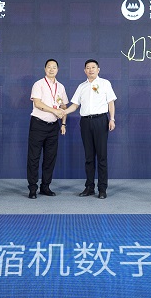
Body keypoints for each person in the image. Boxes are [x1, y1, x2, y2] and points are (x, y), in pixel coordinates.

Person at [63, 59, 116, 199]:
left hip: (100, 121)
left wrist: (112, 119)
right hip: (85, 122)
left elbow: (111, 102)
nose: (90, 70)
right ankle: (89, 187)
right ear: (84, 70)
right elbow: (75, 105)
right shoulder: (82, 86)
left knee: (102, 156)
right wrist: (64, 112)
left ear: (98, 69)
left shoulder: (105, 83)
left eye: (93, 67)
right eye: (88, 67)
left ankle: (102, 189)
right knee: (88, 156)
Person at [26, 59, 69, 199]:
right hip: (38, 124)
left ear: (58, 70)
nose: (51, 69)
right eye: (49, 67)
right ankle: (33, 188)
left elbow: (64, 107)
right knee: (34, 157)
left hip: (53, 127)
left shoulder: (60, 87)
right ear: (45, 69)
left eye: (54, 67)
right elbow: (38, 104)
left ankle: (45, 187)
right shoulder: (38, 84)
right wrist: (54, 111)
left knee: (50, 158)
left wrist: (63, 123)